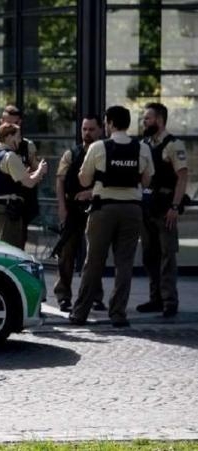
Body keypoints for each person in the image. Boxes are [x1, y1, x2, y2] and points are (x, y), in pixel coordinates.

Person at [69, 105, 154, 328]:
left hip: (103, 209)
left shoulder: (98, 147)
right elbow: (146, 181)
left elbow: (85, 182)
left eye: (106, 122)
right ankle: (118, 314)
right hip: (132, 210)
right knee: (124, 264)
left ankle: (80, 313)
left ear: (110, 123)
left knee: (93, 262)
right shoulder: (142, 148)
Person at [137, 102, 189, 318]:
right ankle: (155, 298)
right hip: (147, 207)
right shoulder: (144, 143)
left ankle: (169, 302)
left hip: (166, 208)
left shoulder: (173, 145)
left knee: (168, 256)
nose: (144, 121)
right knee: (150, 256)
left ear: (159, 119)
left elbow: (183, 176)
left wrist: (175, 206)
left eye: (148, 118)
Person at [53, 115, 106, 313]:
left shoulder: (105, 152)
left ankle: (94, 296)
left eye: (91, 129)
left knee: (94, 255)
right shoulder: (72, 153)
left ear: (100, 130)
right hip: (73, 209)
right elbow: (60, 180)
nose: (87, 133)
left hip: (97, 208)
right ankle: (63, 296)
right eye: (84, 129)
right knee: (66, 254)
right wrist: (62, 207)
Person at [0, 105, 40, 248]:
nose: (10, 127)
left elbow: (35, 173)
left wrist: (24, 173)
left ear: (19, 123)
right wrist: (6, 172)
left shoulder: (27, 145)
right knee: (7, 251)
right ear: (1, 122)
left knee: (16, 246)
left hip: (18, 205)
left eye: (14, 124)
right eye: (6, 123)